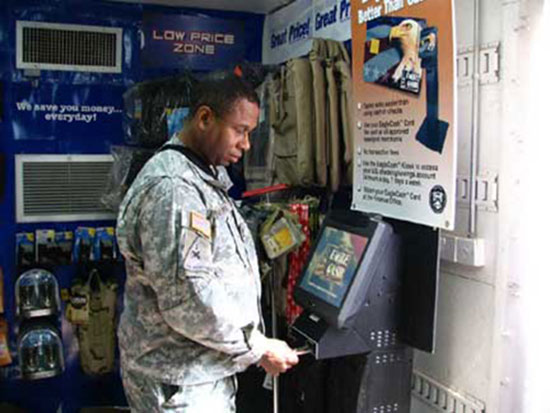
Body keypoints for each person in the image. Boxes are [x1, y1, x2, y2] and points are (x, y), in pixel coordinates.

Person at [116, 74, 299, 413]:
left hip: (196, 374)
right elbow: (189, 299)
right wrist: (257, 347)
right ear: (204, 118)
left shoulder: (201, 177)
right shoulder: (175, 189)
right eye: (240, 130)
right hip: (180, 383)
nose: (246, 144)